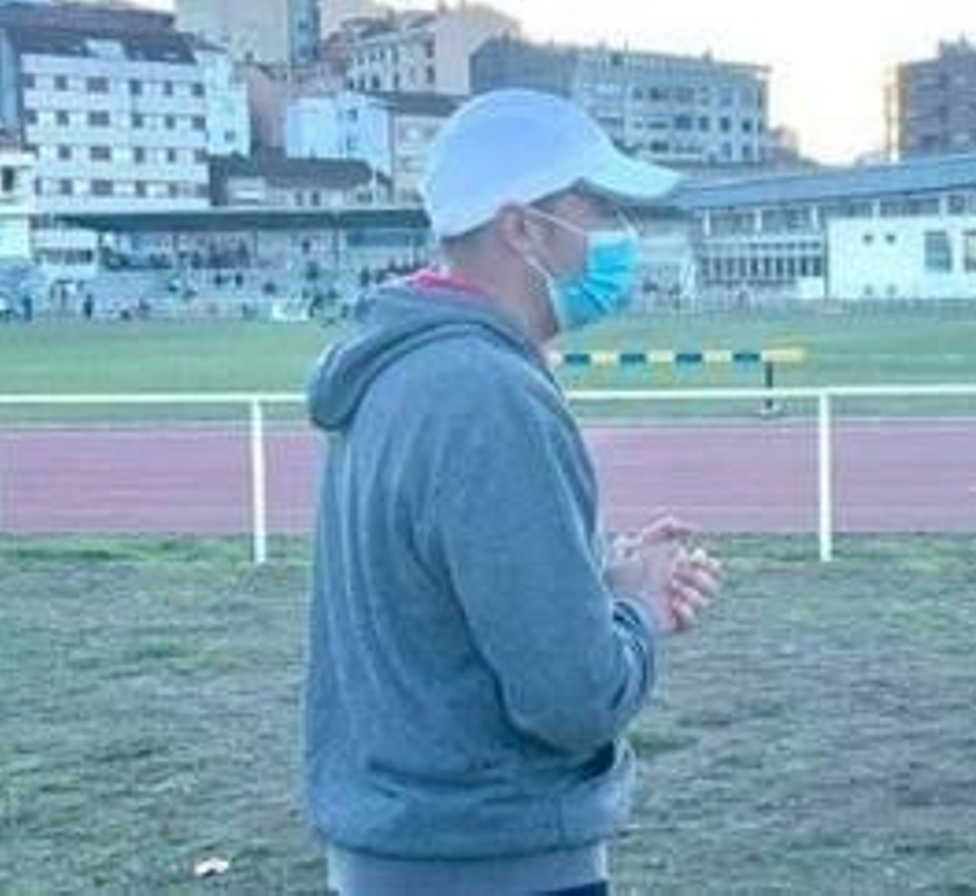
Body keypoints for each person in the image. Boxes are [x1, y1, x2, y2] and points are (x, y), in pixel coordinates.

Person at [303, 88, 723, 896]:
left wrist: (593, 575)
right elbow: (573, 699)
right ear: (522, 227)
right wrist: (635, 609)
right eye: (594, 207)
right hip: (492, 862)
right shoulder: (487, 393)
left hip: (404, 852)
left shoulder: (401, 368)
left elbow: (446, 592)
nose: (612, 237)